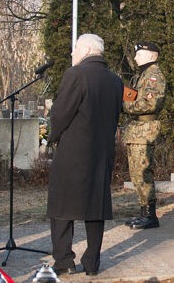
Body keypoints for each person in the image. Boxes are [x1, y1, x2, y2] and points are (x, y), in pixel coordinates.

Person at [47, 34, 122, 276]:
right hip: (102, 153)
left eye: (75, 49)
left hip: (73, 152)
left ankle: (63, 261)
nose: (72, 54)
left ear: (87, 49)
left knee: (60, 207)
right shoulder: (115, 81)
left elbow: (60, 114)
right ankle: (92, 263)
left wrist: (52, 137)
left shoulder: (76, 74)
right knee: (95, 206)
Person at [122, 42, 166, 230]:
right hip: (137, 128)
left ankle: (150, 214)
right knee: (136, 173)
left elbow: (149, 104)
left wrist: (124, 105)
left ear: (150, 55)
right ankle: (144, 212)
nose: (135, 57)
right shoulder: (144, 75)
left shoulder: (154, 76)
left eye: (139, 53)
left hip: (145, 129)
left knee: (142, 171)